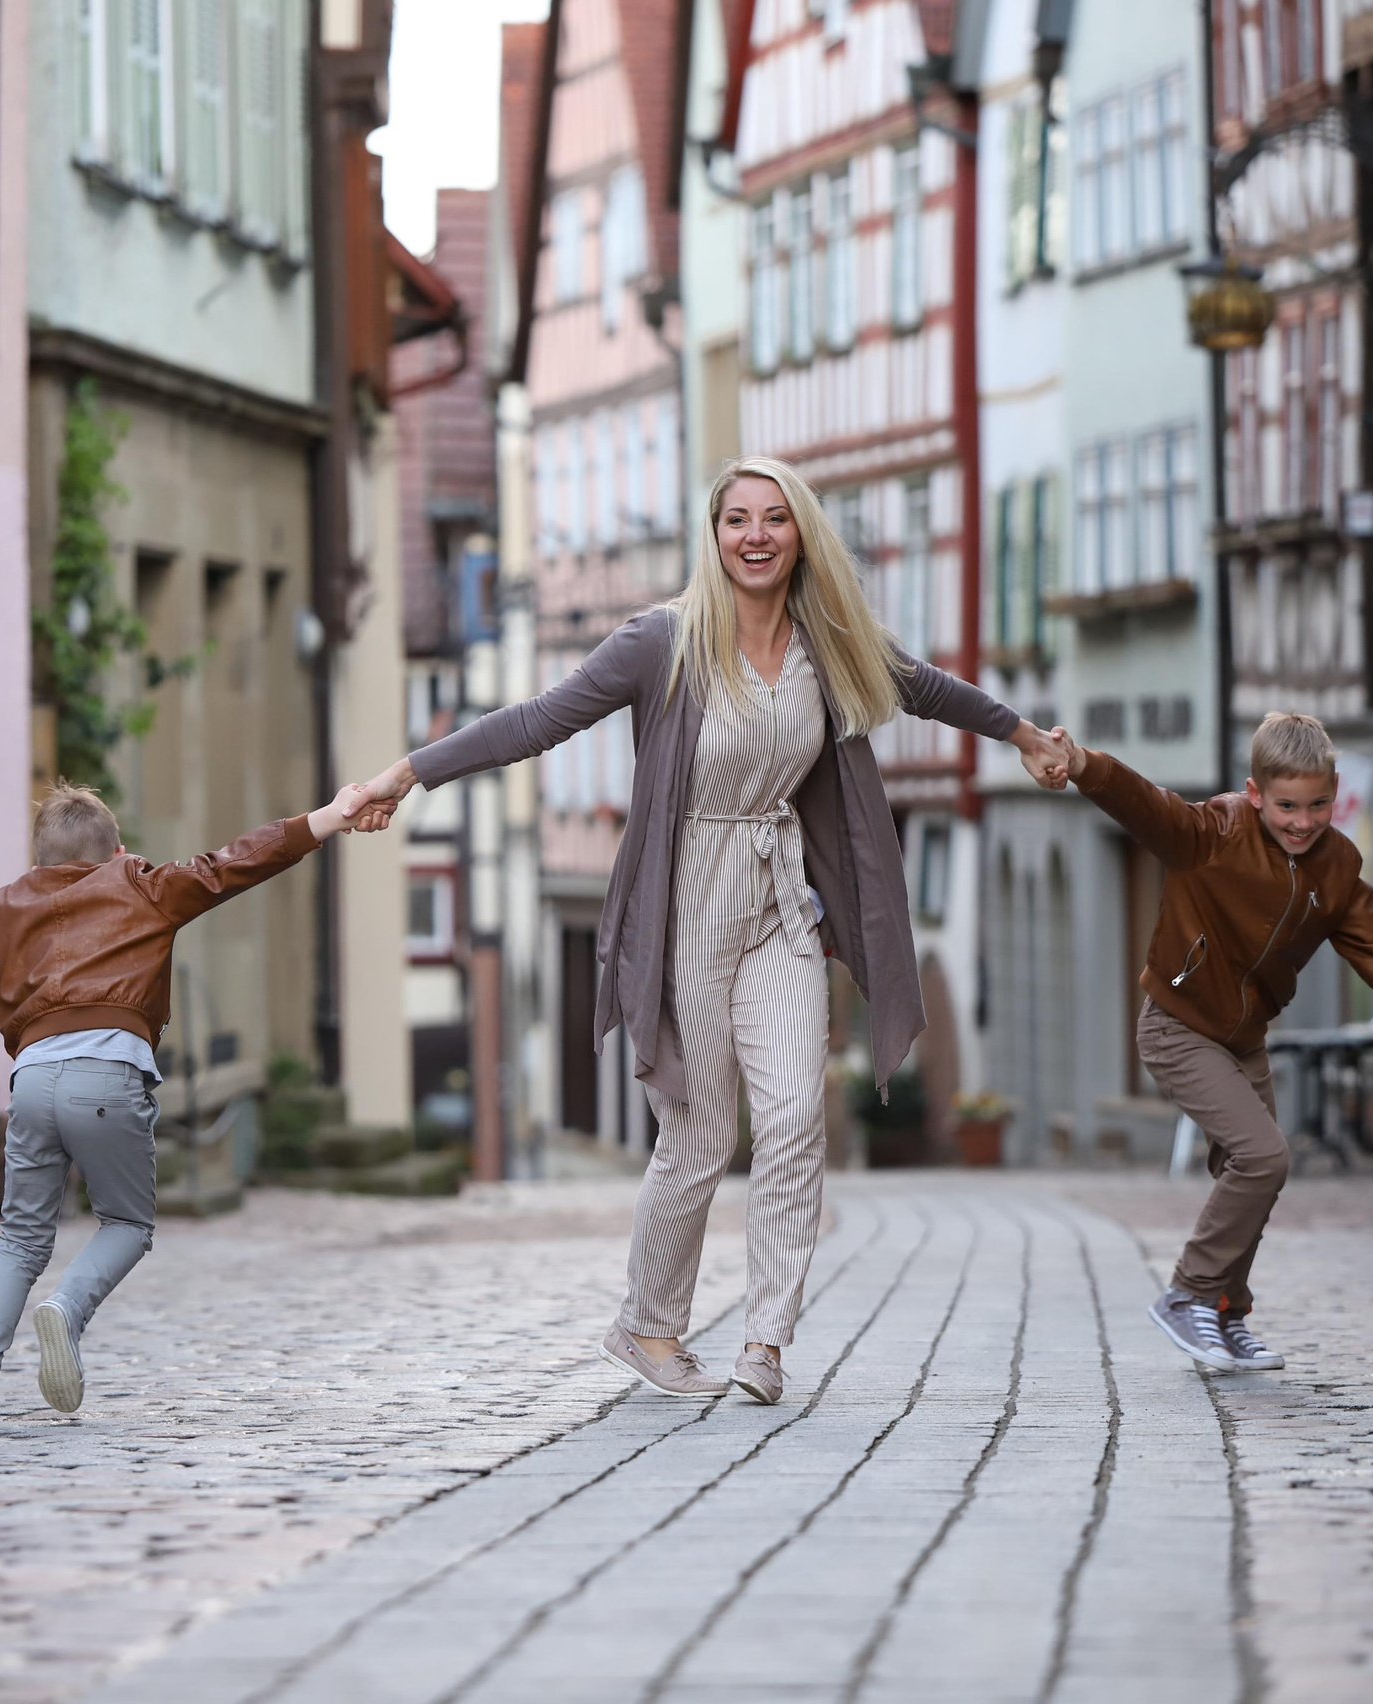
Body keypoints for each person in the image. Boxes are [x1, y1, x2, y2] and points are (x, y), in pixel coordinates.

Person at [353, 456, 1070, 1404]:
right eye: (738, 519)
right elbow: (537, 721)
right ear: (715, 533)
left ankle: (766, 1342)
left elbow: (929, 688)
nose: (757, 536)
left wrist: (1022, 733)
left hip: (778, 898)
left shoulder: (832, 642)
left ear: (800, 533)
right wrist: (408, 774)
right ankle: (647, 1325)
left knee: (794, 1116)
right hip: (684, 895)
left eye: (775, 518)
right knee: (696, 1135)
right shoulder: (664, 641)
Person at [0, 777, 376, 1424]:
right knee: (127, 1224)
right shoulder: (142, 885)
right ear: (115, 853)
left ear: (40, 864)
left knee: (21, 1238)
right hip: (107, 1075)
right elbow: (236, 862)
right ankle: (67, 1309)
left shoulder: (11, 910)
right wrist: (329, 817)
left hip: (32, 1082)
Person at [1052, 712, 1373, 1372]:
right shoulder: (1214, 833)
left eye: (1319, 805)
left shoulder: (1336, 865)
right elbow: (1145, 804)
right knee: (1265, 1156)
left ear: (1334, 794)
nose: (1303, 821)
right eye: (1287, 806)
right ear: (1254, 792)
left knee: (1244, 1172)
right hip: (1177, 1026)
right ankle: (1187, 1294)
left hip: (1243, 1040)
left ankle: (1225, 1314)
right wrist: (1085, 766)